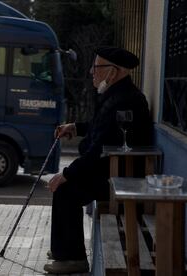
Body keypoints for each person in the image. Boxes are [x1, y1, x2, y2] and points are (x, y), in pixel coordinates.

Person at [43, 46, 153, 274]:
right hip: (109, 169)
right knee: (65, 186)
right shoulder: (115, 94)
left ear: (113, 72)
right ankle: (64, 249)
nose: (92, 72)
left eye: (96, 67)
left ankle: (72, 258)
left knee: (66, 189)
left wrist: (67, 173)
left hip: (118, 176)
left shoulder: (124, 100)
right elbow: (98, 128)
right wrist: (76, 127)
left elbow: (99, 148)